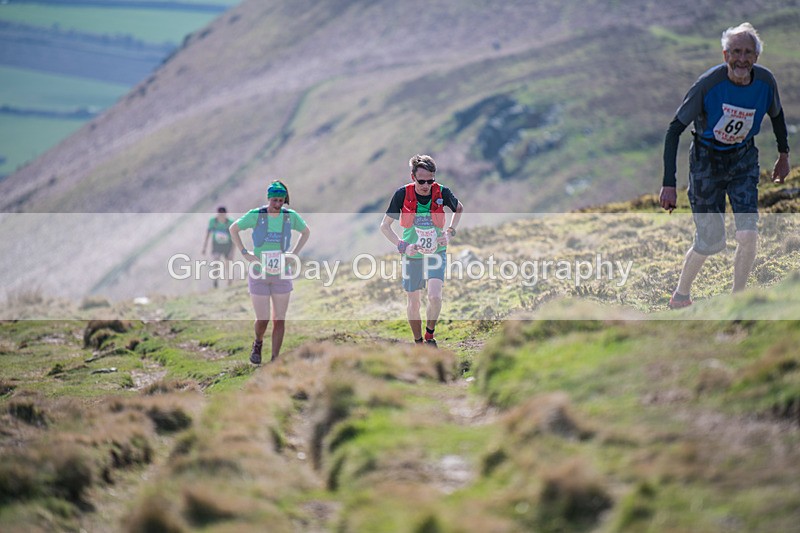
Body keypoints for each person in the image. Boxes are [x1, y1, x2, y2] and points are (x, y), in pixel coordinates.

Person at [659, 22, 790, 308]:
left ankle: (738, 299)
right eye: (735, 52)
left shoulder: (765, 82)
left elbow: (777, 116)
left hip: (743, 159)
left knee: (748, 233)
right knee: (711, 241)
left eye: (747, 52)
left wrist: (783, 154)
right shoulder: (708, 85)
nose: (741, 59)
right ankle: (681, 296)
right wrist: (669, 184)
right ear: (724, 55)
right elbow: (673, 131)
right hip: (706, 162)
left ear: (756, 56)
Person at [380, 154, 463, 347]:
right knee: (414, 303)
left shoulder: (442, 192)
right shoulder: (402, 194)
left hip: (437, 251)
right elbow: (385, 226)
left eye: (430, 180)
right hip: (412, 255)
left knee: (434, 296)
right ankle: (418, 342)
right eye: (422, 181)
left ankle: (429, 336)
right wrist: (403, 246)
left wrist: (450, 233)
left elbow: (459, 208)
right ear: (413, 177)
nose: (426, 185)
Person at [229, 181, 310, 364]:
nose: (277, 204)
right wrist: (244, 252)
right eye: (274, 200)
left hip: (282, 274)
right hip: (259, 273)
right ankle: (258, 342)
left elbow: (306, 232)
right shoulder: (256, 215)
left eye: (281, 200)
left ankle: (275, 359)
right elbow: (233, 229)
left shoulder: (290, 217)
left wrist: (293, 254)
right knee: (263, 319)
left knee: (279, 319)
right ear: (268, 199)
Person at [202, 206, 234, 288]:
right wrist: (204, 247)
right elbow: (208, 234)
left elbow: (234, 237)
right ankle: (215, 281)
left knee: (229, 263)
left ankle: (230, 282)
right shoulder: (213, 221)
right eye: (220, 215)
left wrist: (232, 251)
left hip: (227, 245)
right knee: (216, 261)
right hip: (217, 245)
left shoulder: (230, 222)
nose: (221, 217)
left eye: (223, 215)